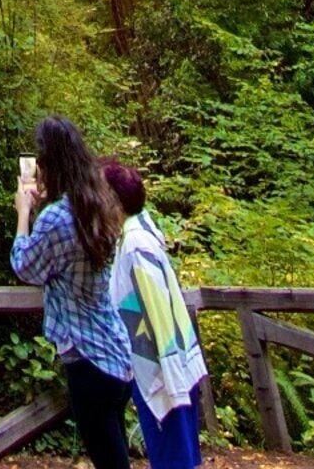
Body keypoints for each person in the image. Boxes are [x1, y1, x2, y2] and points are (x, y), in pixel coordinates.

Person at [10, 116, 138, 469]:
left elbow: (26, 266)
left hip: (87, 361)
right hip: (114, 353)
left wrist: (24, 215)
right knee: (113, 458)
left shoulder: (56, 218)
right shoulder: (97, 206)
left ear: (50, 165)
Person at [100, 164, 205, 469]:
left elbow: (159, 312)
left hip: (164, 370)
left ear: (114, 201)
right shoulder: (134, 236)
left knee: (174, 461)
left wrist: (168, 378)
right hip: (158, 367)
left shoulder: (136, 245)